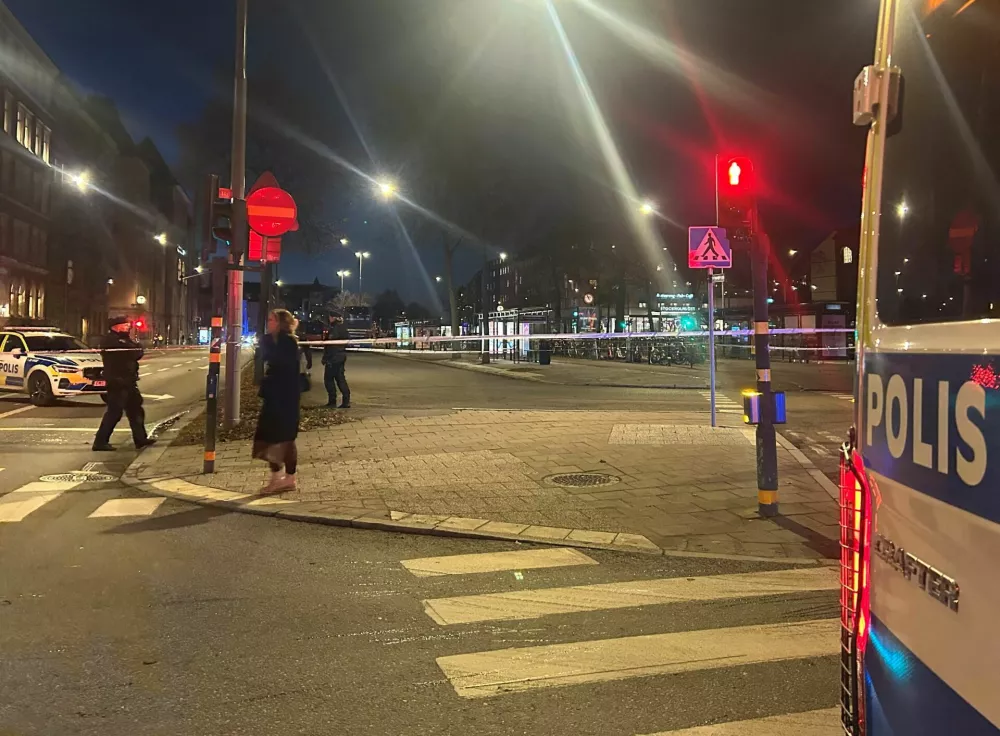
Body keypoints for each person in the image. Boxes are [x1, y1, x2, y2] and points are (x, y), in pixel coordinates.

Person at [253, 309, 301, 493]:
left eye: (272, 320)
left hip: (285, 398)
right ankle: (279, 477)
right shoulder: (275, 340)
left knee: (283, 438)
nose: (269, 323)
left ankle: (287, 478)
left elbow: (279, 362)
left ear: (281, 323)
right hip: (275, 397)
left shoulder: (287, 342)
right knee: (270, 437)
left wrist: (267, 341)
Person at [92, 317, 155, 452]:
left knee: (136, 410)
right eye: (125, 325)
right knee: (114, 412)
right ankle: (100, 441)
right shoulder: (110, 340)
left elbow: (137, 352)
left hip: (129, 380)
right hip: (117, 381)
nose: (128, 327)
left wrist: (136, 348)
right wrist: (135, 349)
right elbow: (132, 353)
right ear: (116, 326)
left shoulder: (125, 339)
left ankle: (140, 439)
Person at [322, 310, 351, 408]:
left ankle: (332, 401)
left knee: (329, 379)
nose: (329, 319)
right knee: (340, 379)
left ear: (333, 318)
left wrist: (326, 358)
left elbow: (330, 344)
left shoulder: (334, 328)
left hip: (334, 357)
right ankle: (346, 401)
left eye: (330, 317)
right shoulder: (342, 327)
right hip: (340, 356)